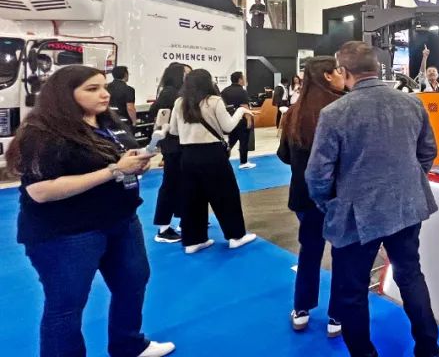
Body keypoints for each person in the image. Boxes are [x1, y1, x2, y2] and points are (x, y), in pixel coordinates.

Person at [8, 65, 174, 357]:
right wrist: (113, 170)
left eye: (104, 87)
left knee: (133, 283)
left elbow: (119, 161)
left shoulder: (109, 121)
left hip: (121, 221)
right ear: (65, 94)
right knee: (66, 305)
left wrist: (135, 165)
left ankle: (129, 345)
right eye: (92, 89)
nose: (104, 94)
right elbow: (40, 191)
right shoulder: (42, 133)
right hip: (66, 233)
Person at [305, 42, 439, 357]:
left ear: (343, 71)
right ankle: (429, 349)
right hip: (405, 208)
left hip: (356, 215)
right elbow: (427, 152)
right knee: (411, 277)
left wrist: (330, 204)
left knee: (352, 291)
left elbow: (317, 175)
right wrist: (407, 184)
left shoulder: (335, 113)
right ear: (377, 68)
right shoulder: (411, 103)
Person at [278, 57, 347, 338]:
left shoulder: (294, 113)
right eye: (339, 71)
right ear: (328, 76)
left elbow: (284, 155)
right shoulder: (343, 109)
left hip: (305, 195)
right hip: (338, 195)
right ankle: (337, 316)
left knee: (309, 251)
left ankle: (301, 310)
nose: (343, 76)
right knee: (342, 253)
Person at [168, 69, 256, 253]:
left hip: (188, 155)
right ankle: (236, 236)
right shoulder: (214, 101)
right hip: (212, 154)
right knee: (226, 196)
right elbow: (228, 127)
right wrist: (241, 111)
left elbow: (174, 131)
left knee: (193, 199)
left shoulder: (179, 102)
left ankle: (193, 241)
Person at [148, 62, 190, 244]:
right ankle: (163, 227)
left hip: (176, 145)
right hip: (173, 146)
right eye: (186, 73)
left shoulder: (171, 92)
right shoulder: (171, 94)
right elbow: (156, 112)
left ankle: (182, 219)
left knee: (179, 184)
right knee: (170, 185)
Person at [221, 71, 255, 169]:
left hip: (230, 120)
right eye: (244, 78)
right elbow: (244, 106)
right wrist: (249, 120)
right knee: (244, 142)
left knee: (231, 141)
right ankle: (244, 162)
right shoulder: (242, 91)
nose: (245, 80)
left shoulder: (225, 91)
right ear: (240, 80)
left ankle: (222, 158)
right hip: (241, 120)